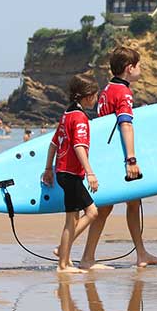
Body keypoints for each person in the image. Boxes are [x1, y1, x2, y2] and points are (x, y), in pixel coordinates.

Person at [92, 44, 157, 268]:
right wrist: (131, 159)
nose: (141, 69)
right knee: (102, 209)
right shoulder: (123, 92)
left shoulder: (107, 90)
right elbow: (125, 124)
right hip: (120, 159)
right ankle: (76, 252)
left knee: (130, 203)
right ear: (129, 68)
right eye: (139, 66)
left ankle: (141, 253)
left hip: (108, 156)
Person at [42, 74, 99, 274]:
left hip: (62, 172)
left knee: (72, 218)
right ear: (87, 96)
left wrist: (49, 168)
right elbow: (79, 146)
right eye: (95, 95)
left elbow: (53, 143)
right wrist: (90, 173)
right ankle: (62, 258)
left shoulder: (66, 114)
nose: (96, 99)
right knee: (92, 213)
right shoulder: (80, 118)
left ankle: (64, 261)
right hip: (72, 174)